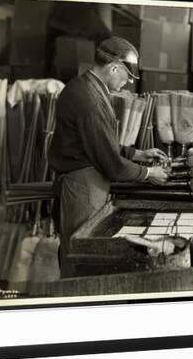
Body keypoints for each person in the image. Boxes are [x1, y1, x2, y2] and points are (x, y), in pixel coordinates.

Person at [49, 37, 169, 277]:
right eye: (127, 77)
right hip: (83, 185)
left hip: (87, 180)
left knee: (85, 248)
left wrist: (138, 154)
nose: (126, 85)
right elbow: (111, 164)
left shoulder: (88, 88)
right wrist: (149, 173)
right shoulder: (89, 99)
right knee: (82, 251)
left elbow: (99, 142)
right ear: (114, 67)